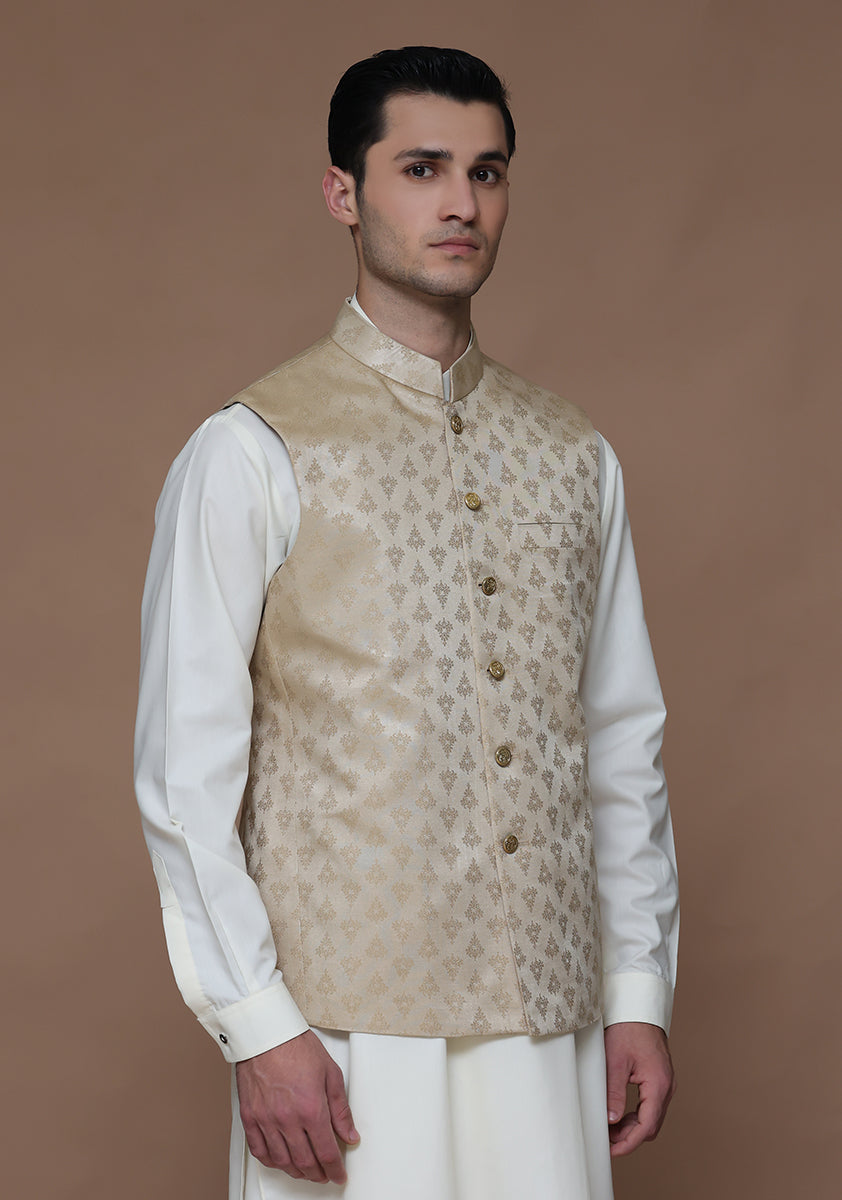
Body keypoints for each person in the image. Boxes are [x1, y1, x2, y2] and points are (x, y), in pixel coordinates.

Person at [134, 46, 678, 1200]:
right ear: (343, 192)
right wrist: (254, 1024)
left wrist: (637, 993)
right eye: (421, 168)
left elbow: (619, 742)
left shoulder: (572, 453)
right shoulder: (253, 447)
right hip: (342, 1038)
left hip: (549, 1025)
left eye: (486, 172)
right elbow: (184, 773)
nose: (459, 203)